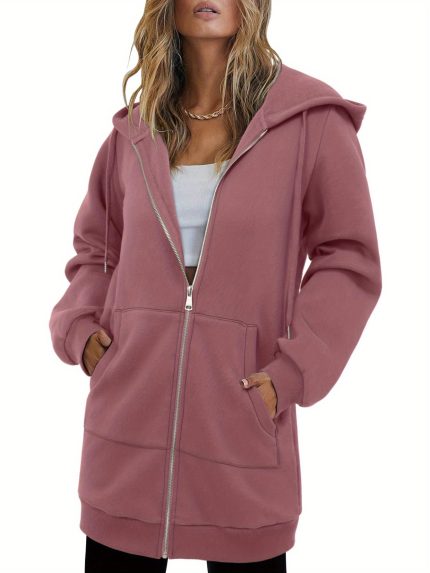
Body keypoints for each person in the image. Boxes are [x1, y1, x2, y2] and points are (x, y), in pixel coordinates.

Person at [48, 0, 382, 570]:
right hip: (125, 435)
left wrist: (290, 372)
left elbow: (349, 259)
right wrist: (83, 333)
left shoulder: (311, 121)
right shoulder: (135, 131)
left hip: (241, 432)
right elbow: (96, 249)